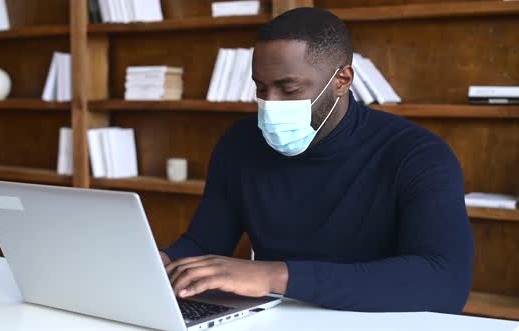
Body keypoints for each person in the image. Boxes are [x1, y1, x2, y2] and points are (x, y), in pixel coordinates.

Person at [160, 7, 474, 314]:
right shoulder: (239, 145)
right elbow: (204, 245)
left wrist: (273, 276)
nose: (270, 104)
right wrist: (162, 262)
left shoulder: (417, 154)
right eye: (260, 87)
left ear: (342, 80)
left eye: (288, 88)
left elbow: (445, 283)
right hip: (280, 321)